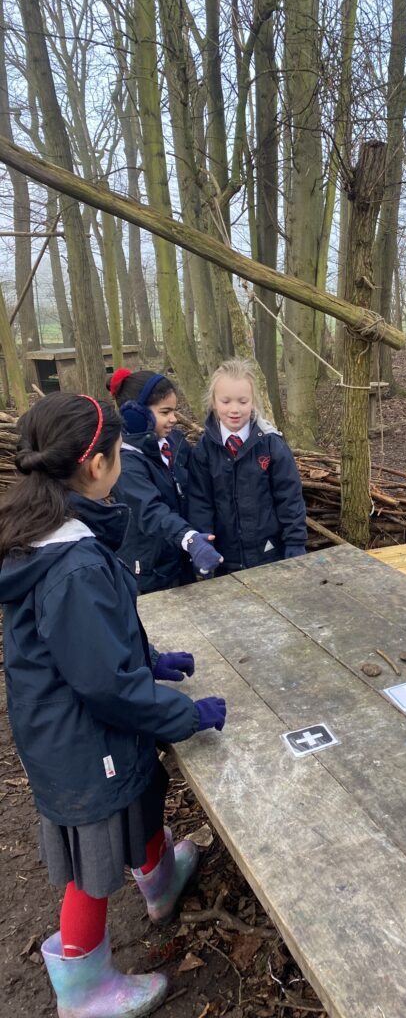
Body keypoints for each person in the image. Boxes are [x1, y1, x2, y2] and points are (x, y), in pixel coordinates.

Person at [0, 393, 227, 1018]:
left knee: (142, 790)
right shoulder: (70, 561)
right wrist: (184, 715)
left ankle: (160, 882)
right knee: (90, 861)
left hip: (79, 728)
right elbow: (102, 683)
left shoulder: (55, 531)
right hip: (78, 742)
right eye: (117, 454)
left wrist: (150, 662)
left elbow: (89, 644)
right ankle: (85, 988)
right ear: (96, 466)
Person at [187, 358, 307, 574]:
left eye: (243, 402)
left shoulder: (271, 444)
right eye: (226, 401)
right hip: (225, 558)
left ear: (253, 402)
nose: (235, 409)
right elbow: (200, 502)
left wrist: (295, 541)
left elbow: (289, 496)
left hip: (270, 554)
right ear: (214, 402)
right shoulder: (204, 450)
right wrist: (203, 545)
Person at [109, 368, 222, 592]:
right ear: (137, 414)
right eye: (165, 412)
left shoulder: (175, 443)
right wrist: (189, 538)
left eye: (174, 411)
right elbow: (150, 510)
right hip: (150, 570)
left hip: (181, 559)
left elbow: (201, 479)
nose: (173, 419)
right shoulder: (125, 463)